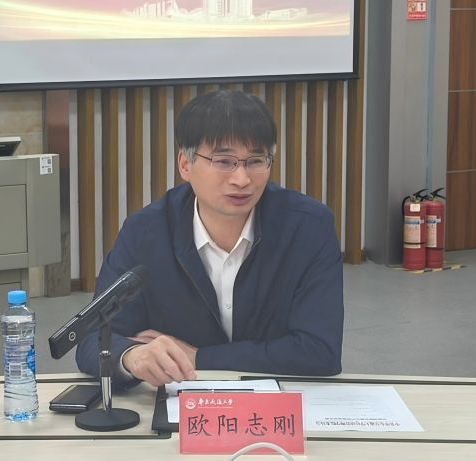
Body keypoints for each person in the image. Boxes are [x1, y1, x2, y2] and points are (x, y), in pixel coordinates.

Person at [76, 90, 343, 388]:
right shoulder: (146, 233)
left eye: (256, 160)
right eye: (224, 161)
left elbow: (320, 351)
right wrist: (132, 356)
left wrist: (200, 358)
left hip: (280, 402)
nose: (242, 179)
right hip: (179, 404)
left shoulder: (308, 227)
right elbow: (93, 339)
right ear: (185, 165)